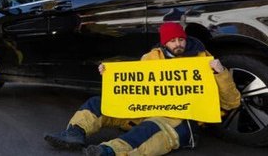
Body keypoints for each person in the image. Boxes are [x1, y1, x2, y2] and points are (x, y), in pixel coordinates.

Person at [44, 22, 241, 155]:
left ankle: (110, 151)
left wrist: (220, 73)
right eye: (172, 41)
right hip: (144, 109)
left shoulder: (204, 60)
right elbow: (135, 85)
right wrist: (111, 75)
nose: (178, 44)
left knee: (151, 130)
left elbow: (231, 102)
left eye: (181, 39)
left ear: (186, 39)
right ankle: (74, 133)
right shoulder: (151, 58)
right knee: (99, 103)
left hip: (178, 118)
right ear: (165, 43)